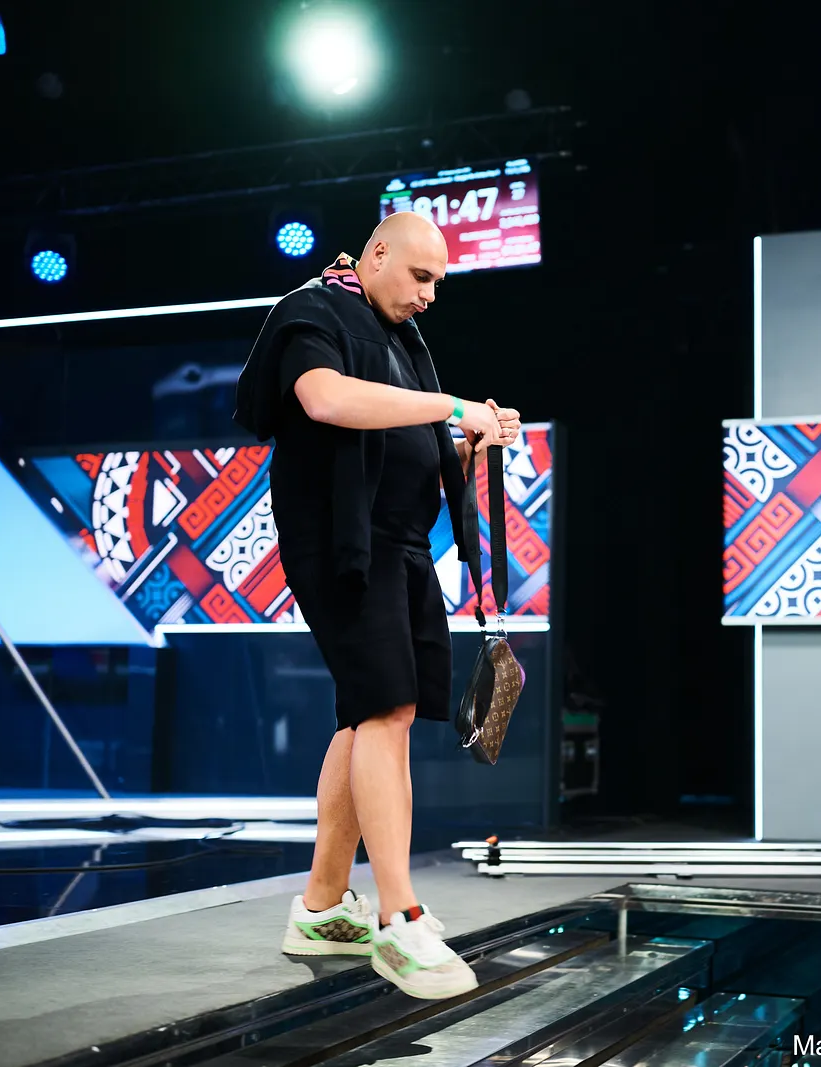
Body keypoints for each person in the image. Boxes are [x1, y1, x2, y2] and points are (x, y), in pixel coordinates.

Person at [233, 212, 521, 999]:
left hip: (402, 544)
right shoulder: (313, 308)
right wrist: (451, 407)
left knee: (365, 717)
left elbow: (409, 442)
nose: (430, 294)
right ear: (378, 253)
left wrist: (468, 441)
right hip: (343, 544)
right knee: (386, 710)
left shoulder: (401, 340)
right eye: (421, 276)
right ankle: (400, 917)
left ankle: (323, 907)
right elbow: (325, 400)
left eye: (439, 283)